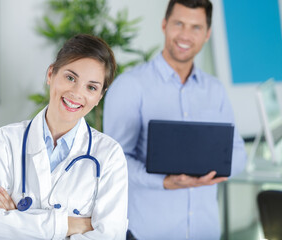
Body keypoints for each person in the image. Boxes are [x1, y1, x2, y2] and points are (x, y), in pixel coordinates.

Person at [103, 0, 247, 239]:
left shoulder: (215, 90)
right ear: (164, 25)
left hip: (206, 232)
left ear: (207, 34)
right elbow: (114, 161)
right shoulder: (130, 86)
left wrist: (213, 172)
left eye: (196, 27)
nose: (185, 35)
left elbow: (238, 152)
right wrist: (163, 182)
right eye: (179, 23)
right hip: (149, 233)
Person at [0, 34, 128, 240]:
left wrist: (16, 220)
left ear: (99, 97)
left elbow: (111, 235)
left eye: (91, 87)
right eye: (70, 78)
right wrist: (69, 224)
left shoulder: (109, 155)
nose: (76, 93)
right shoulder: (6, 141)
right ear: (51, 74)